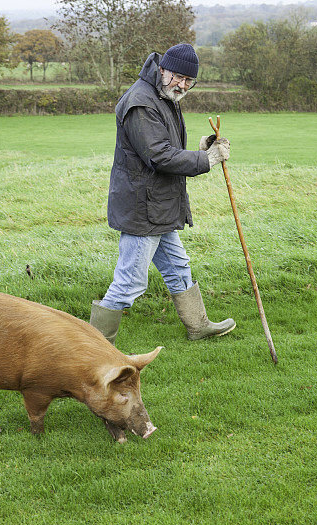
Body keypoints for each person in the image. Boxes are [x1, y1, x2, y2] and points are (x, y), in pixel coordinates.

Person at [89, 43, 235, 346]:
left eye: (188, 81)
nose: (181, 85)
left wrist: (201, 149)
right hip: (143, 208)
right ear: (163, 69)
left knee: (178, 266)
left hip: (159, 204)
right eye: (177, 76)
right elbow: (158, 156)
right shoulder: (141, 102)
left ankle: (198, 325)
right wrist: (206, 161)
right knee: (130, 282)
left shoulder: (162, 94)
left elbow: (165, 145)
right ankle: (92, 348)